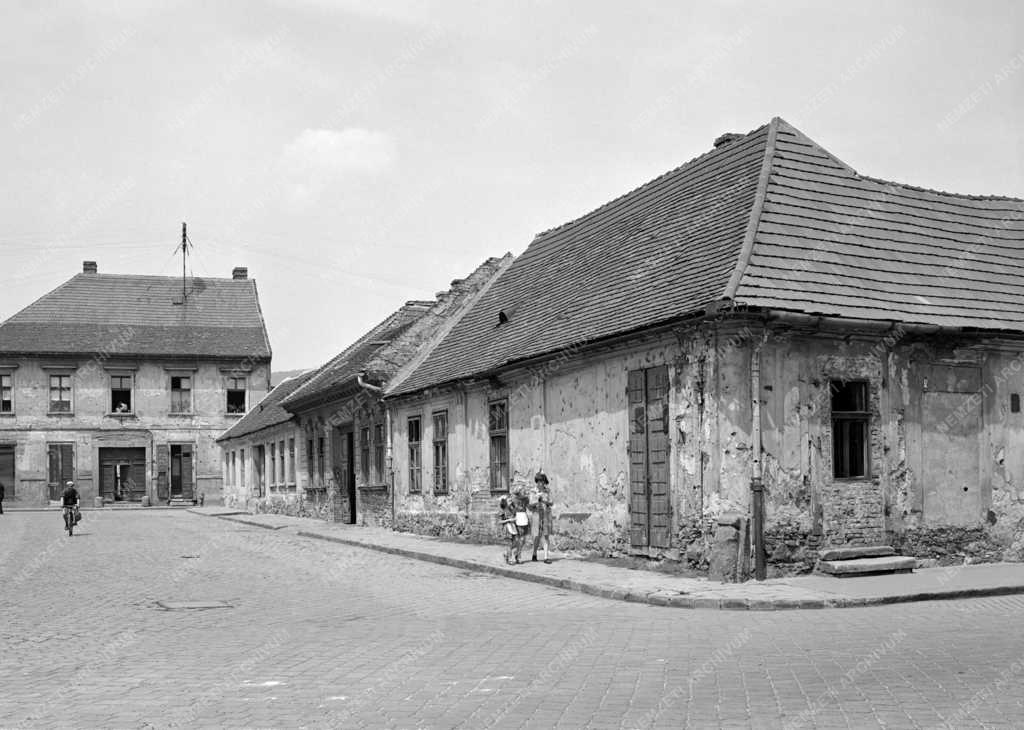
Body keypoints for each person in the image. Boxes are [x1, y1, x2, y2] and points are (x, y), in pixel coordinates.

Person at [531, 472, 553, 564]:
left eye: (542, 481)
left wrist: (544, 500)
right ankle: (534, 553)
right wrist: (537, 500)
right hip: (536, 515)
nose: (540, 483)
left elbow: (551, 502)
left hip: (545, 515)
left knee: (546, 535)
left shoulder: (547, 491)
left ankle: (545, 557)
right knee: (536, 536)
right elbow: (530, 504)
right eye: (539, 481)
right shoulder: (533, 491)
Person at [498, 496, 517, 565]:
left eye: (511, 500)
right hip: (507, 528)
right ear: (505, 502)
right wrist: (508, 520)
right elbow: (499, 521)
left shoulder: (512, 509)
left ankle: (506, 554)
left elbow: (514, 517)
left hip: (513, 527)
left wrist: (515, 519)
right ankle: (510, 559)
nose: (511, 502)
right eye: (509, 501)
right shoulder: (502, 510)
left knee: (514, 544)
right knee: (509, 544)